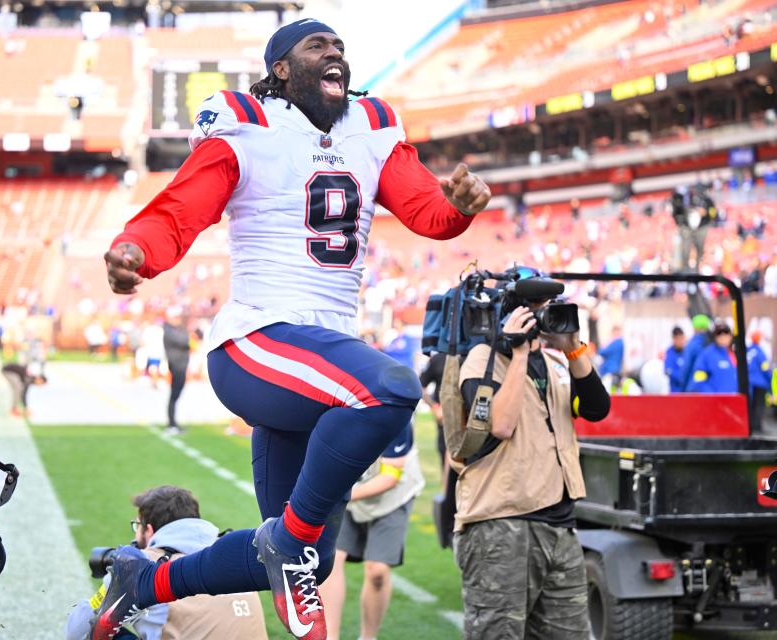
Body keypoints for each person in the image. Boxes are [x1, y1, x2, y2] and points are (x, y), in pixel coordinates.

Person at [100, 18, 490, 640]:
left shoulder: (371, 128)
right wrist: (135, 251)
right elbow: (182, 208)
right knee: (391, 388)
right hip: (258, 340)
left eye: (340, 45)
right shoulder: (248, 127)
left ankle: (142, 582)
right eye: (317, 46)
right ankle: (291, 540)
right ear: (280, 68)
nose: (335, 53)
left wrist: (459, 208)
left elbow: (425, 209)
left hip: (323, 360)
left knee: (303, 557)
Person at [453, 269, 610, 640]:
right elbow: (501, 425)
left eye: (550, 305)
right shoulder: (482, 359)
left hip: (559, 524)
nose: (545, 314)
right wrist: (518, 351)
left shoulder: (559, 363)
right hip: (501, 524)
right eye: (537, 306)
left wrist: (572, 346)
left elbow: (597, 408)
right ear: (513, 310)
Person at [66, 486, 267, 640]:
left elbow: (76, 631)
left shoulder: (143, 564)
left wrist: (102, 592)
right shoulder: (232, 554)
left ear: (150, 529)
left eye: (137, 526)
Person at [319, 424, 424, 640]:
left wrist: (339, 496)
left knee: (377, 571)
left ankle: (368, 637)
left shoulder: (395, 414)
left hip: (392, 497)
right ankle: (330, 635)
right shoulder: (334, 410)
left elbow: (389, 478)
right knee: (331, 560)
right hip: (347, 491)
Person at [163, 307, 191, 435]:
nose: (179, 320)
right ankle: (171, 423)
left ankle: (173, 422)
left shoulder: (176, 329)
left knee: (175, 396)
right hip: (176, 366)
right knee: (174, 396)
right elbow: (184, 341)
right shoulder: (169, 331)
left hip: (181, 365)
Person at [686, 322, 737, 393]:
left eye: (726, 332)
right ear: (715, 336)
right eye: (719, 333)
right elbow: (698, 380)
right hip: (714, 401)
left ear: (730, 336)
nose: (723, 336)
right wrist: (712, 396)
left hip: (734, 401)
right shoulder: (706, 355)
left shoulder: (735, 353)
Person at [747, 331, 772, 432]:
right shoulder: (760, 352)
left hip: (747, 383)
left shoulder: (748, 350)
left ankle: (749, 426)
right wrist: (769, 381)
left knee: (750, 405)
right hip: (759, 384)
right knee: (759, 405)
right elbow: (765, 369)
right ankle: (757, 427)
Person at [681, 314, 712, 386]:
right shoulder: (714, 345)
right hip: (711, 389)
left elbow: (686, 368)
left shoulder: (692, 345)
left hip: (694, 388)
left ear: (695, 328)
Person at [664, 326, 688, 393]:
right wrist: (681, 377)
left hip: (688, 392)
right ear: (673, 339)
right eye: (677, 339)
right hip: (675, 392)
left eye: (681, 338)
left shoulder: (688, 352)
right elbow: (667, 370)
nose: (680, 341)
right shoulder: (670, 352)